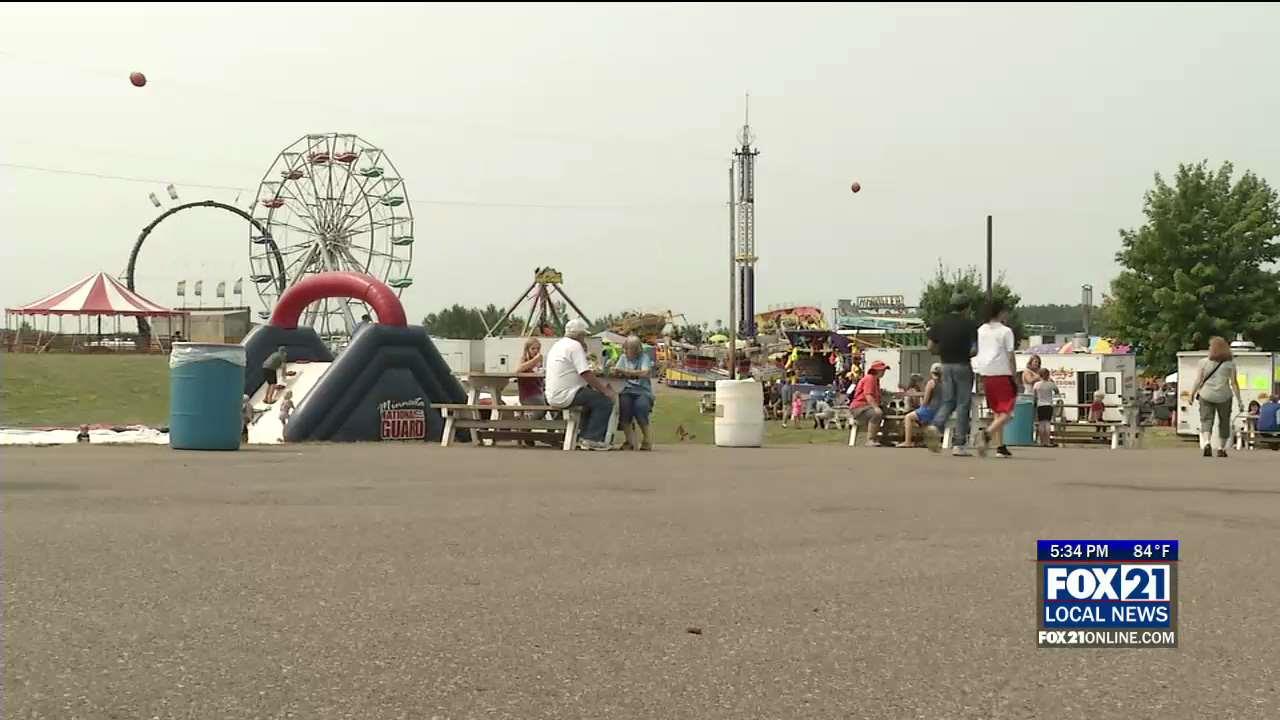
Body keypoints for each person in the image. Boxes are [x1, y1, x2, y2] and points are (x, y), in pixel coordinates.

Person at [545, 317, 616, 451]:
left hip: (552, 394)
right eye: (584, 336)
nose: (584, 339)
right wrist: (605, 390)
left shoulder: (557, 345)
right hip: (567, 394)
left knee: (591, 400)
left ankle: (583, 437)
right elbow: (585, 373)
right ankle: (592, 439)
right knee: (604, 401)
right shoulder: (575, 346)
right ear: (580, 335)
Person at [925, 294, 978, 456]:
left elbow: (930, 346)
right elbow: (974, 349)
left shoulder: (940, 323)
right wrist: (965, 354)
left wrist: (943, 352)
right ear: (967, 308)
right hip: (962, 365)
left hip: (945, 365)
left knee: (948, 400)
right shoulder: (969, 325)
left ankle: (936, 425)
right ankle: (959, 444)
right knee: (963, 404)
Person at [973, 300, 1017, 458]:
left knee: (998, 412)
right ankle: (986, 434)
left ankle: (1001, 446)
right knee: (1007, 412)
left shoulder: (981, 330)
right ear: (1000, 313)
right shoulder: (1006, 331)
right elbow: (1010, 355)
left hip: (986, 373)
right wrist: (1014, 374)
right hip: (1001, 372)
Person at [1188, 335, 1243, 458]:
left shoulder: (1203, 362)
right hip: (1224, 396)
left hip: (1206, 395)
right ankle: (1221, 448)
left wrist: (1192, 394)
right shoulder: (1230, 364)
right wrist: (1239, 400)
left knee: (1206, 420)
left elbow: (1198, 380)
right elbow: (1234, 383)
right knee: (1224, 422)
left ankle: (1207, 442)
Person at [614, 335, 655, 450]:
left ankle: (647, 440)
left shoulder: (644, 357)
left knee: (641, 408)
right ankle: (629, 441)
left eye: (629, 349)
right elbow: (617, 371)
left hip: (642, 391)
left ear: (637, 349)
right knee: (624, 409)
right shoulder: (623, 357)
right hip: (626, 390)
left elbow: (645, 373)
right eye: (625, 348)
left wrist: (626, 371)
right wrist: (618, 371)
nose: (626, 351)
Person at [898, 363, 942, 447]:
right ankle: (925, 441)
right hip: (940, 410)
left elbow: (926, 400)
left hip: (931, 409)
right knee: (923, 420)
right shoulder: (945, 383)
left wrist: (922, 406)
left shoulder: (931, 383)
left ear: (931, 372)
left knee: (908, 417)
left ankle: (908, 442)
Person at [850, 360, 888, 447]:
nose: (884, 372)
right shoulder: (870, 378)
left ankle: (884, 438)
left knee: (891, 412)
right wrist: (876, 407)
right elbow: (868, 395)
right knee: (876, 413)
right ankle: (870, 439)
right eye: (882, 370)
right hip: (859, 408)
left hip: (866, 407)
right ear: (876, 370)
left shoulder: (876, 380)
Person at [1032, 368, 1058, 447]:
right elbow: (1057, 392)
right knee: (1047, 423)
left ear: (1040, 375)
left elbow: (1034, 396)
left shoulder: (1037, 384)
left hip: (1040, 405)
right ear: (1048, 375)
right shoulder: (1051, 384)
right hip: (1049, 405)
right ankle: (1047, 441)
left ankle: (1041, 441)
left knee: (1041, 423)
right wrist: (1052, 382)